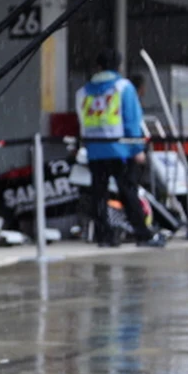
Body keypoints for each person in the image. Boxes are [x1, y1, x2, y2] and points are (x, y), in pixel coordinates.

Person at [75, 48, 165, 248]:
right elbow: (132, 121)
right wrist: (137, 148)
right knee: (128, 192)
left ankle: (104, 236)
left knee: (99, 193)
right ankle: (143, 234)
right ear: (118, 66)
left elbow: (82, 122)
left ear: (97, 66)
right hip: (120, 149)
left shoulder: (83, 92)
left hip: (95, 150)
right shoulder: (123, 87)